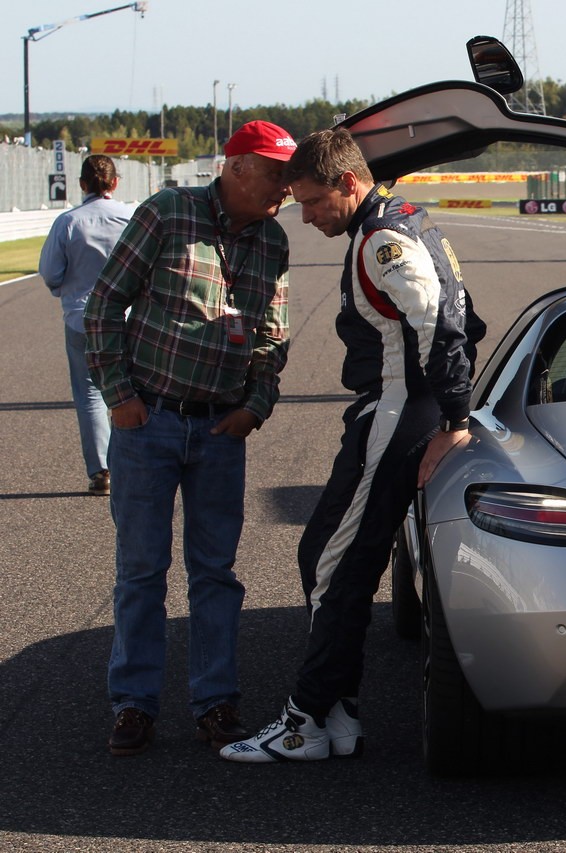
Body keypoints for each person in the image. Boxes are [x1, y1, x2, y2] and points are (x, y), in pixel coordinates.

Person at [222, 127, 481, 763]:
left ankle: (306, 720)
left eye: (311, 202)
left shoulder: (385, 237)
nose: (305, 217)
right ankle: (338, 713)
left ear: (348, 183)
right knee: (323, 554)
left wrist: (452, 419)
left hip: (401, 409)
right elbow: (466, 317)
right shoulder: (402, 220)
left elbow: (444, 325)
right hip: (392, 407)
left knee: (336, 566)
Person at [83, 120, 295, 756]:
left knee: (215, 573)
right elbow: (102, 306)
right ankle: (134, 705)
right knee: (142, 570)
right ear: (235, 168)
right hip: (148, 421)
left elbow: (271, 336)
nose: (286, 187)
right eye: (276, 173)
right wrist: (119, 396)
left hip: (220, 430)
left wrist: (254, 406)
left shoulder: (273, 240)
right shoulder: (167, 213)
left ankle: (215, 703)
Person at [38, 155, 133, 496]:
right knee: (134, 390)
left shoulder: (68, 222)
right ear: (115, 182)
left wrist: (65, 288)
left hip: (82, 318)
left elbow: (50, 272)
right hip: (129, 317)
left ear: (82, 184)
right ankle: (137, 463)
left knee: (90, 396)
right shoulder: (131, 217)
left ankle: (102, 471)